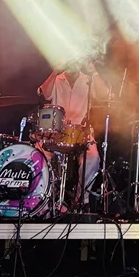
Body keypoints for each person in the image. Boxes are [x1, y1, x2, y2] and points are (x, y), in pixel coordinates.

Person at [37, 59, 110, 205]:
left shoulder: (87, 80)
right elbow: (44, 94)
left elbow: (104, 95)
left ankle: (81, 200)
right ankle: (43, 199)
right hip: (56, 131)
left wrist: (94, 72)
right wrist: (56, 69)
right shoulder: (56, 79)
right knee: (39, 154)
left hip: (81, 131)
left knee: (93, 158)